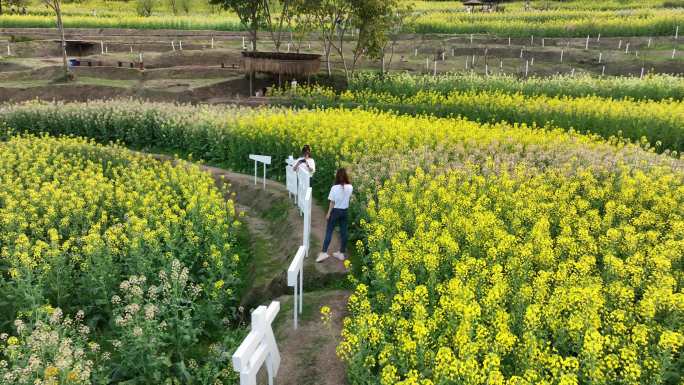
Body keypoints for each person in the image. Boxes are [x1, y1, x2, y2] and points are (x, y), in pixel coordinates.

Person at [317, 168, 353, 262]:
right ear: (346, 176)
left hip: (335, 211)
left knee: (329, 231)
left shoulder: (334, 188)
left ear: (337, 176)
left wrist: (328, 213)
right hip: (345, 211)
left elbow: (332, 203)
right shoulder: (350, 187)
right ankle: (341, 253)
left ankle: (324, 253)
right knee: (344, 232)